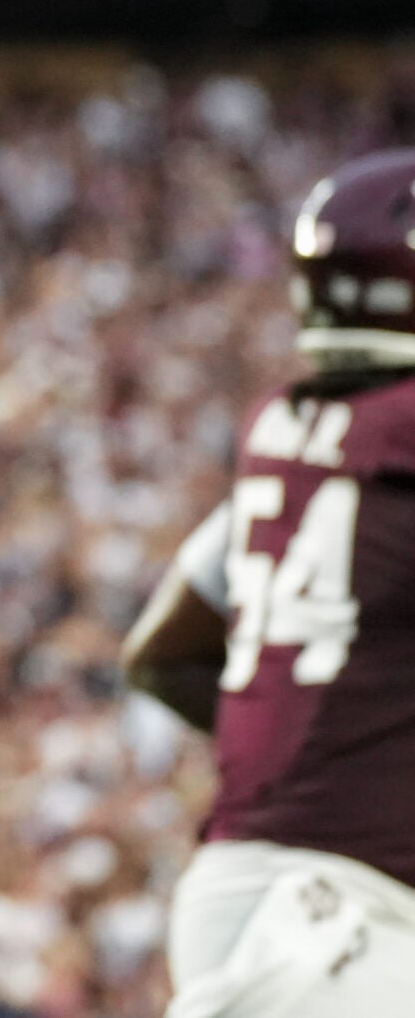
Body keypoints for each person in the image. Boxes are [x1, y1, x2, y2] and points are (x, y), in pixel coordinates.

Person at [122, 149, 415, 1017]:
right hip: (350, 928)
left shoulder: (294, 436)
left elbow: (162, 652)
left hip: (246, 892)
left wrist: (317, 758)